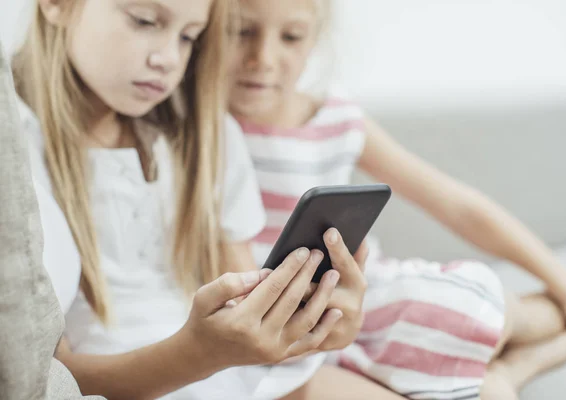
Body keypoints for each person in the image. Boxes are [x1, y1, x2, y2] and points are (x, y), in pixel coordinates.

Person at [227, 0, 566, 399]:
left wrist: (564, 282)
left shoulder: (335, 117)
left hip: (366, 297)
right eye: (242, 31)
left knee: (466, 310)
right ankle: (516, 367)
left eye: (291, 36)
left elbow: (457, 205)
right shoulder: (205, 132)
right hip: (288, 332)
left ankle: (564, 323)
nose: (262, 58)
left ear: (315, 39)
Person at [12, 0, 368, 399]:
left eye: (188, 37)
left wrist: (312, 323)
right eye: (144, 21)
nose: (167, 58)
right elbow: (42, 380)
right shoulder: (17, 150)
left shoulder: (208, 137)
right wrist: (197, 354)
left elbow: (249, 316)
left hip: (226, 374)